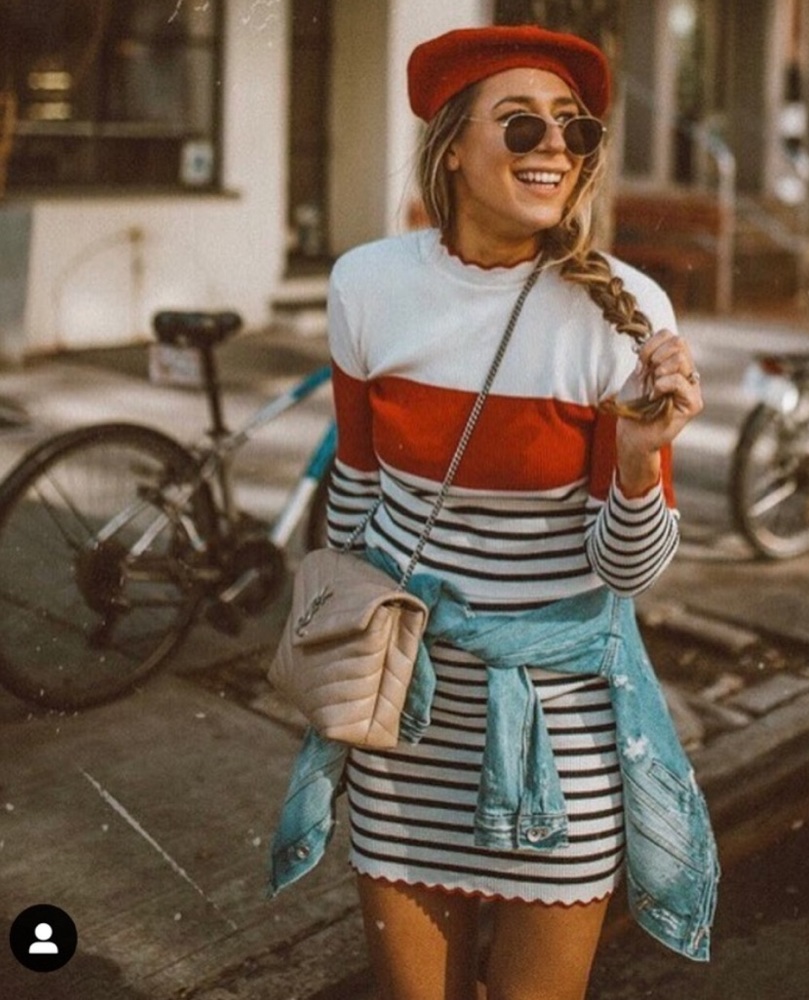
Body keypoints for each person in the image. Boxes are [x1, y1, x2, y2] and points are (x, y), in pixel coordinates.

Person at [270, 24, 717, 1000]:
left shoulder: (627, 314)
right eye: (521, 127)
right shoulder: (367, 285)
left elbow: (630, 572)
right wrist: (331, 634)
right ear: (453, 149)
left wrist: (638, 463)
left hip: (561, 723)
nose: (554, 147)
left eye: (575, 128)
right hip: (408, 713)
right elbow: (355, 489)